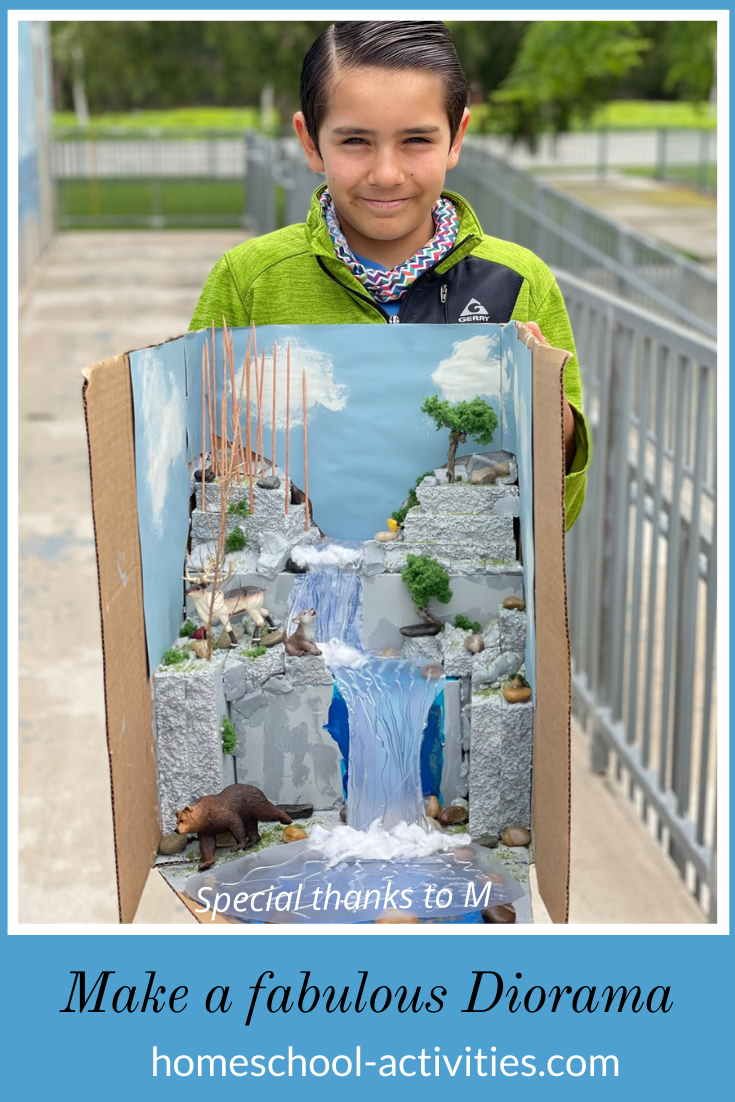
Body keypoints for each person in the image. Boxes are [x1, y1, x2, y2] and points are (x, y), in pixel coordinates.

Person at [190, 21, 589, 527]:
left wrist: (556, 423)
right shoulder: (248, 279)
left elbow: (558, 516)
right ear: (310, 143)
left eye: (416, 140)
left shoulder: (519, 280)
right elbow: (198, 449)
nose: (386, 173)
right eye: (355, 140)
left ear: (456, 138)